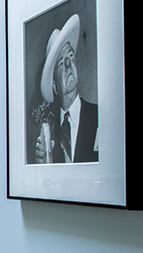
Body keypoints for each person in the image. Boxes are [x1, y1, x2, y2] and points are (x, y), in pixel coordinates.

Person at [34, 13, 98, 164]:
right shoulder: (49, 132)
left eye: (71, 56)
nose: (69, 64)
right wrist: (43, 166)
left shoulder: (99, 116)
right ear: (54, 86)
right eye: (62, 63)